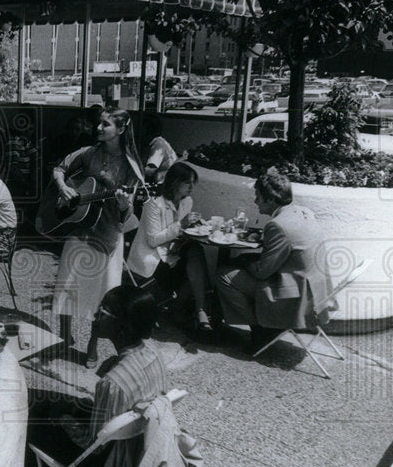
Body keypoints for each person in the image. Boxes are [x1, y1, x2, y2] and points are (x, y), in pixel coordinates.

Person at [29, 286, 202, 467]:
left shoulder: (113, 383)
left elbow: (93, 444)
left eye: (103, 313)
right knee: (54, 404)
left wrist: (64, 421)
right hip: (136, 444)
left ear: (122, 326)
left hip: (107, 461)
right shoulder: (153, 353)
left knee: (36, 418)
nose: (95, 316)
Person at [51, 108, 146, 367]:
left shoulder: (131, 168)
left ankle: (92, 344)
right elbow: (60, 168)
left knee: (101, 296)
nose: (99, 128)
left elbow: (129, 213)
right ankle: (63, 336)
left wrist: (125, 204)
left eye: (106, 124)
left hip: (106, 235)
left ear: (121, 129)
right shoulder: (89, 153)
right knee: (67, 285)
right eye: (100, 123)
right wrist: (65, 189)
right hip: (79, 229)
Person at [215, 168, 333, 352]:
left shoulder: (277, 225)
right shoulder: (303, 212)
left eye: (258, 196)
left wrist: (243, 260)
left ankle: (260, 331)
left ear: (270, 199)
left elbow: (263, 272)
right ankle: (262, 326)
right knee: (241, 265)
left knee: (224, 274)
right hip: (315, 291)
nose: (255, 202)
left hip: (295, 298)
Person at [126, 161, 213, 333]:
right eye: (187, 183)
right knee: (195, 266)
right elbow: (153, 240)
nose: (191, 187)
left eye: (192, 183)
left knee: (196, 251)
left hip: (172, 252)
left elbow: (178, 232)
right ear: (175, 182)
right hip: (153, 257)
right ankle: (190, 309)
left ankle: (193, 309)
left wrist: (194, 227)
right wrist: (181, 225)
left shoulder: (187, 202)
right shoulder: (153, 205)